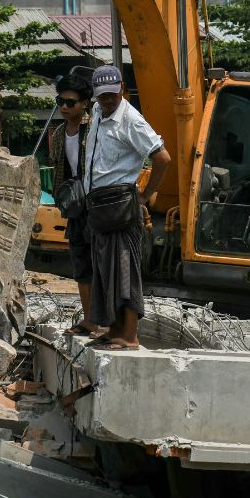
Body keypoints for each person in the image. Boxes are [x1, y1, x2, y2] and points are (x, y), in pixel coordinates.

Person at [83, 65, 170, 351]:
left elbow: (162, 158)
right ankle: (114, 330)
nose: (107, 101)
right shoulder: (98, 113)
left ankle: (129, 335)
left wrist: (145, 195)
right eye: (102, 96)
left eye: (111, 95)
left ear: (122, 89)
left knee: (125, 271)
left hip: (121, 205)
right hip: (100, 206)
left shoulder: (130, 120)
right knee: (105, 270)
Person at [49, 73, 102, 338]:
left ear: (84, 104)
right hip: (74, 208)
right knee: (80, 263)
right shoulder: (58, 134)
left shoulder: (94, 130)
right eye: (61, 101)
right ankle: (89, 319)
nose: (64, 107)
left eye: (70, 102)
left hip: (96, 205)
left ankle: (102, 320)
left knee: (100, 263)